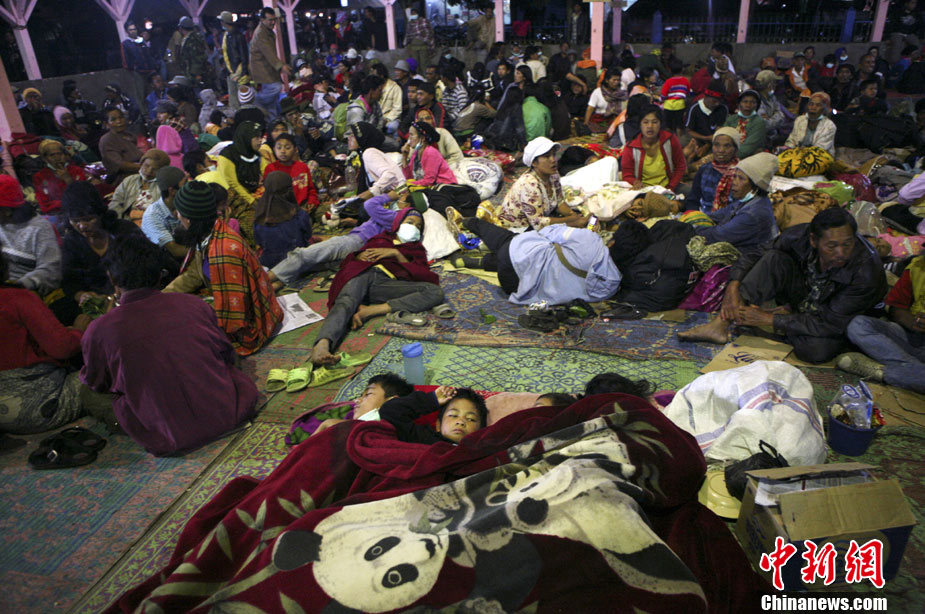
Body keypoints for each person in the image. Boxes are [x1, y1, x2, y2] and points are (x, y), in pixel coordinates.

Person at [80, 237, 258, 456]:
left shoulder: (98, 330)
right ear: (160, 274)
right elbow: (227, 355)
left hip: (169, 436)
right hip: (230, 412)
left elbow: (97, 383)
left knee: (86, 392)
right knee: (224, 354)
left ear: (112, 278)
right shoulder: (194, 304)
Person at [679, 207, 887, 363]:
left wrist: (770, 319)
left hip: (842, 319)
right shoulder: (798, 236)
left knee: (815, 351)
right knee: (774, 259)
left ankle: (777, 326)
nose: (841, 252)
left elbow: (830, 322)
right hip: (807, 299)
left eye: (847, 244)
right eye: (831, 246)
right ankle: (721, 324)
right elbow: (755, 254)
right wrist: (733, 285)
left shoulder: (866, 271)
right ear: (813, 240)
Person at [309, 209, 443, 366]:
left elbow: (423, 275)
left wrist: (396, 254)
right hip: (362, 274)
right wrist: (358, 256)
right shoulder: (380, 238)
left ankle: (369, 310)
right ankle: (323, 344)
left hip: (384, 283)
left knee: (435, 292)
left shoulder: (416, 249)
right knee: (346, 301)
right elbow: (349, 262)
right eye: (409, 222)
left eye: (418, 226)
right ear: (398, 224)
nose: (413, 227)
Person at [164, 181, 282, 355]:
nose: (177, 216)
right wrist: (160, 298)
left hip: (247, 326)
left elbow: (234, 316)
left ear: (189, 219)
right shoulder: (209, 233)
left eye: (179, 212)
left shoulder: (223, 251)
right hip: (225, 303)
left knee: (176, 337)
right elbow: (194, 274)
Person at [0, 253, 90, 437]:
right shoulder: (16, 298)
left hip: (3, 420)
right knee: (108, 371)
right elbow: (62, 347)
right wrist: (80, 331)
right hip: (40, 406)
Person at [459, 216, 621, 305]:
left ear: (613, 241)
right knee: (538, 259)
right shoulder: (612, 285)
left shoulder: (589, 240)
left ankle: (469, 223)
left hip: (510, 259)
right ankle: (483, 262)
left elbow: (547, 231)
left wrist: (579, 228)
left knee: (515, 239)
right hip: (517, 288)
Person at [268, 192, 403, 290]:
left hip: (355, 241)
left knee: (302, 255)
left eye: (403, 195)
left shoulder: (399, 216)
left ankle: (262, 282)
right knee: (309, 265)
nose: (399, 195)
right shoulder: (394, 215)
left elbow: (369, 205)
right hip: (356, 245)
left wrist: (388, 196)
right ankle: (273, 286)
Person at [839, 255, 925, 393]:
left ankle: (881, 372)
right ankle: (912, 371)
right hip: (913, 337)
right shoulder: (917, 266)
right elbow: (896, 307)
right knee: (858, 324)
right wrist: (914, 322)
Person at [60, 182, 143, 309]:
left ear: (100, 214)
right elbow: (70, 282)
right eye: (75, 221)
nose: (82, 226)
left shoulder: (124, 231)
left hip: (134, 297)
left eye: (88, 219)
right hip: (98, 304)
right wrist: (82, 295)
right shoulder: (71, 242)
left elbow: (145, 268)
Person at [691, 152, 779, 250]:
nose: (734, 182)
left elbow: (717, 235)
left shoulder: (754, 213)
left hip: (751, 256)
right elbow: (716, 216)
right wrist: (694, 220)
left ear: (755, 185)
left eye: (741, 179)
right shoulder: (746, 201)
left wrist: (688, 229)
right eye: (735, 176)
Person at [497, 137, 589, 231]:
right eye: (547, 156)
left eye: (554, 155)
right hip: (519, 228)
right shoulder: (529, 184)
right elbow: (538, 224)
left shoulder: (553, 175)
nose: (553, 160)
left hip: (539, 219)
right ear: (534, 163)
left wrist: (573, 215)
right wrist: (571, 221)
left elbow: (559, 201)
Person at [0, 175, 61, 298]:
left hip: (24, 291)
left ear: (7, 211)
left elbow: (51, 270)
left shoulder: (39, 228)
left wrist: (18, 286)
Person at [378, 386, 487, 445]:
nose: (461, 422)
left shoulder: (478, 451)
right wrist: (431, 400)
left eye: (470, 419)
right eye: (453, 415)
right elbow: (390, 411)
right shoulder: (423, 438)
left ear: (481, 429)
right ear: (438, 425)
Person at [252, 171, 313, 269]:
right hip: (298, 263)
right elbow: (307, 235)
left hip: (270, 264)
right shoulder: (299, 215)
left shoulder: (260, 217)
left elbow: (259, 242)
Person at [620, 105, 686, 190]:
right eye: (645, 122)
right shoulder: (631, 147)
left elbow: (680, 167)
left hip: (668, 187)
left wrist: (670, 187)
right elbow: (627, 175)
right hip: (643, 190)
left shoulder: (670, 139)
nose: (650, 126)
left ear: (660, 124)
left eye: (654, 122)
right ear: (640, 124)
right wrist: (635, 182)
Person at [687, 127, 741, 213]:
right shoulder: (704, 170)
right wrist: (695, 217)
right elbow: (693, 200)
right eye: (717, 145)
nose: (721, 150)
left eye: (727, 146)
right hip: (704, 216)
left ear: (736, 149)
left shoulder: (742, 173)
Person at [347, 122, 404, 202]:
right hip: (395, 193)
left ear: (362, 138)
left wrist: (372, 192)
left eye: (353, 135)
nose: (348, 138)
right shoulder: (364, 154)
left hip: (399, 194)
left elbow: (389, 174)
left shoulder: (369, 153)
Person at [249, 7, 291, 118]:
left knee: (272, 102)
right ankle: (257, 102)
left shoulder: (267, 31)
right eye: (270, 20)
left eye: (274, 19)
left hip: (268, 69)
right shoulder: (261, 34)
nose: (273, 22)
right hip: (263, 71)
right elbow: (269, 53)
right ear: (262, 20)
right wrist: (281, 66)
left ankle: (273, 121)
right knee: (275, 87)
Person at [140, 166, 188, 261]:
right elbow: (176, 251)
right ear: (172, 191)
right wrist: (206, 250)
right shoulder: (153, 215)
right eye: (185, 184)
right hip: (162, 262)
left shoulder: (186, 204)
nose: (189, 187)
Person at [32, 139, 91, 216]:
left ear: (65, 155)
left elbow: (84, 196)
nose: (57, 158)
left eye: (59, 154)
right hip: (57, 214)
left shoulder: (77, 170)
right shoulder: (39, 176)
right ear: (45, 159)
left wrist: (68, 180)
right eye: (52, 155)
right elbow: (44, 204)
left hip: (80, 210)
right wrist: (67, 203)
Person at [218, 121, 267, 206]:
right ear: (246, 137)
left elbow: (266, 172)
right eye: (256, 137)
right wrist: (252, 201)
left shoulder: (255, 154)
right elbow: (233, 184)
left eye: (260, 137)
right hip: (235, 197)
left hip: (254, 193)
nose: (260, 140)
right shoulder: (227, 155)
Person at [683, 79, 729, 165]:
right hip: (696, 137)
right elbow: (689, 131)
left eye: (719, 101)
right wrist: (705, 138)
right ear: (706, 97)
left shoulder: (723, 108)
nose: (717, 104)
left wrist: (707, 145)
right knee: (685, 151)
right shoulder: (694, 108)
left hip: (714, 139)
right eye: (714, 101)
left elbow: (719, 130)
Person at [402, 121, 457, 187]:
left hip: (445, 187)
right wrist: (404, 157)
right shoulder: (415, 154)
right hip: (428, 188)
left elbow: (429, 181)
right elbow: (410, 178)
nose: (409, 139)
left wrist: (409, 184)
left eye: (411, 135)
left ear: (422, 138)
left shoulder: (431, 153)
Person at [98, 108, 142, 186]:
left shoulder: (130, 135)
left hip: (141, 172)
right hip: (125, 179)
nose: (119, 121)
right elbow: (119, 164)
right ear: (106, 124)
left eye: (121, 117)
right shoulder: (107, 140)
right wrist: (144, 167)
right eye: (113, 119)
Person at [723, 90, 767, 158]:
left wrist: (727, 156)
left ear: (757, 105)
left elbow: (748, 147)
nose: (748, 105)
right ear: (738, 104)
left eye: (753, 102)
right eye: (745, 102)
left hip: (747, 157)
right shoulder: (731, 119)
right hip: (725, 153)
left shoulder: (759, 122)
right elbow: (723, 137)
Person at [220, 11, 250, 111]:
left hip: (238, 72)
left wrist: (242, 72)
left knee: (243, 100)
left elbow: (244, 56)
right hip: (231, 72)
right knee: (233, 99)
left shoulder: (238, 36)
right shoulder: (227, 35)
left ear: (223, 22)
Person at [583, 69, 624, 133]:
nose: (616, 82)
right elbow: (590, 108)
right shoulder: (597, 92)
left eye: (618, 80)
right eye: (614, 80)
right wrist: (586, 124)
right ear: (607, 80)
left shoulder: (622, 93)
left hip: (615, 123)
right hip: (598, 123)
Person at [661, 63, 691, 133]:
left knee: (668, 125)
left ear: (670, 70)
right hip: (680, 105)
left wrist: (662, 99)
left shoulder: (668, 81)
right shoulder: (685, 80)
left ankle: (669, 137)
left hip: (668, 106)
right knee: (679, 124)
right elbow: (688, 92)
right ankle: (679, 138)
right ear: (682, 70)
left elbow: (664, 94)